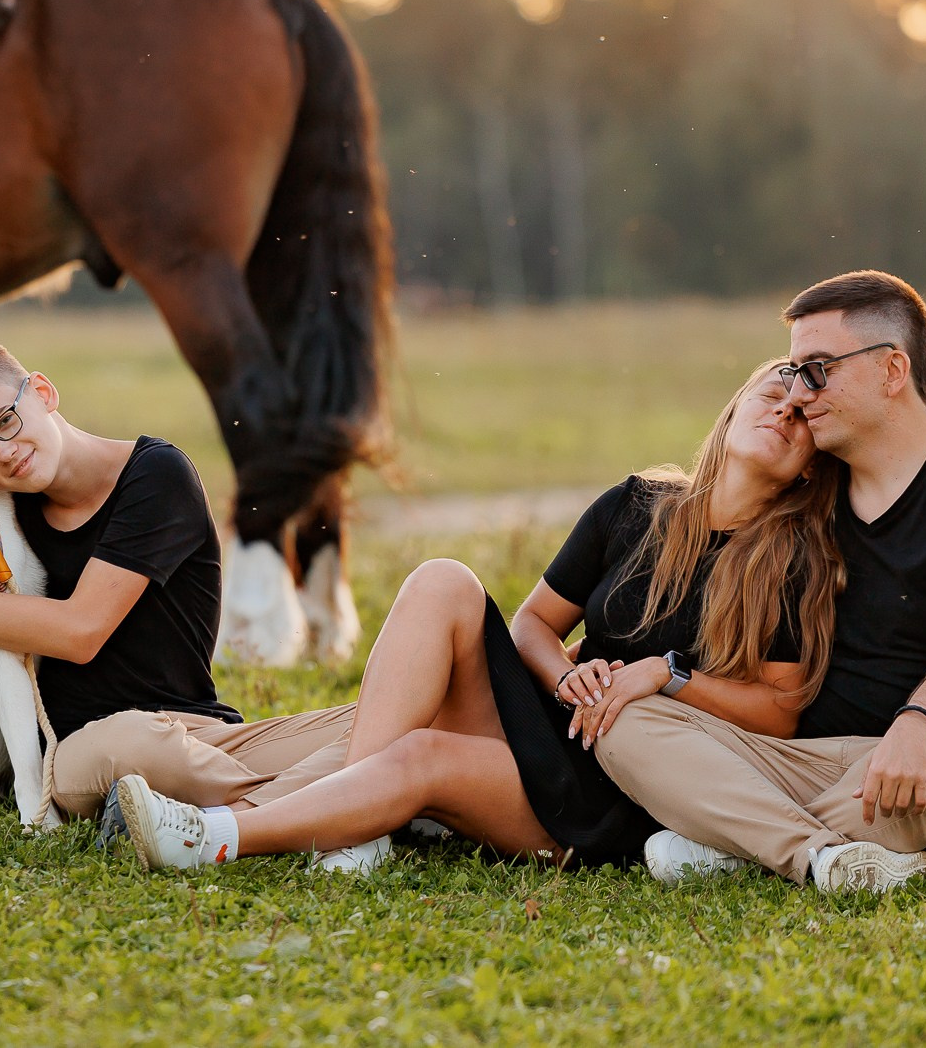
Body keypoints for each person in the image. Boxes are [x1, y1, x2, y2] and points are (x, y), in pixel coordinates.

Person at [105, 360, 843, 876]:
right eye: (773, 389)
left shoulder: (789, 561)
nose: (783, 410)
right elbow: (531, 626)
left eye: (803, 417)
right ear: (735, 404)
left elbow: (778, 711)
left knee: (420, 755)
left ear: (810, 464)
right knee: (443, 580)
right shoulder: (638, 504)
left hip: (620, 790)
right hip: (556, 725)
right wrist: (568, 676)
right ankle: (355, 824)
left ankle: (214, 838)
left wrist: (666, 677)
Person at [593, 270, 926, 893]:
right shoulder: (812, 495)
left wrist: (919, 724)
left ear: (893, 371)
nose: (800, 393)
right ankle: (822, 858)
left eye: (817, 368)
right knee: (627, 721)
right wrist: (646, 671)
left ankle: (744, 844)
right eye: (794, 371)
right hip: (816, 767)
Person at [0, 340, 352, 821]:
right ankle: (331, 805)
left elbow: (80, 632)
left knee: (372, 725)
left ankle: (333, 794)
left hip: (192, 731)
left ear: (42, 392)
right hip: (74, 754)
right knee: (122, 747)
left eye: (6, 421)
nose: (4, 452)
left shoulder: (157, 475)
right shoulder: (4, 502)